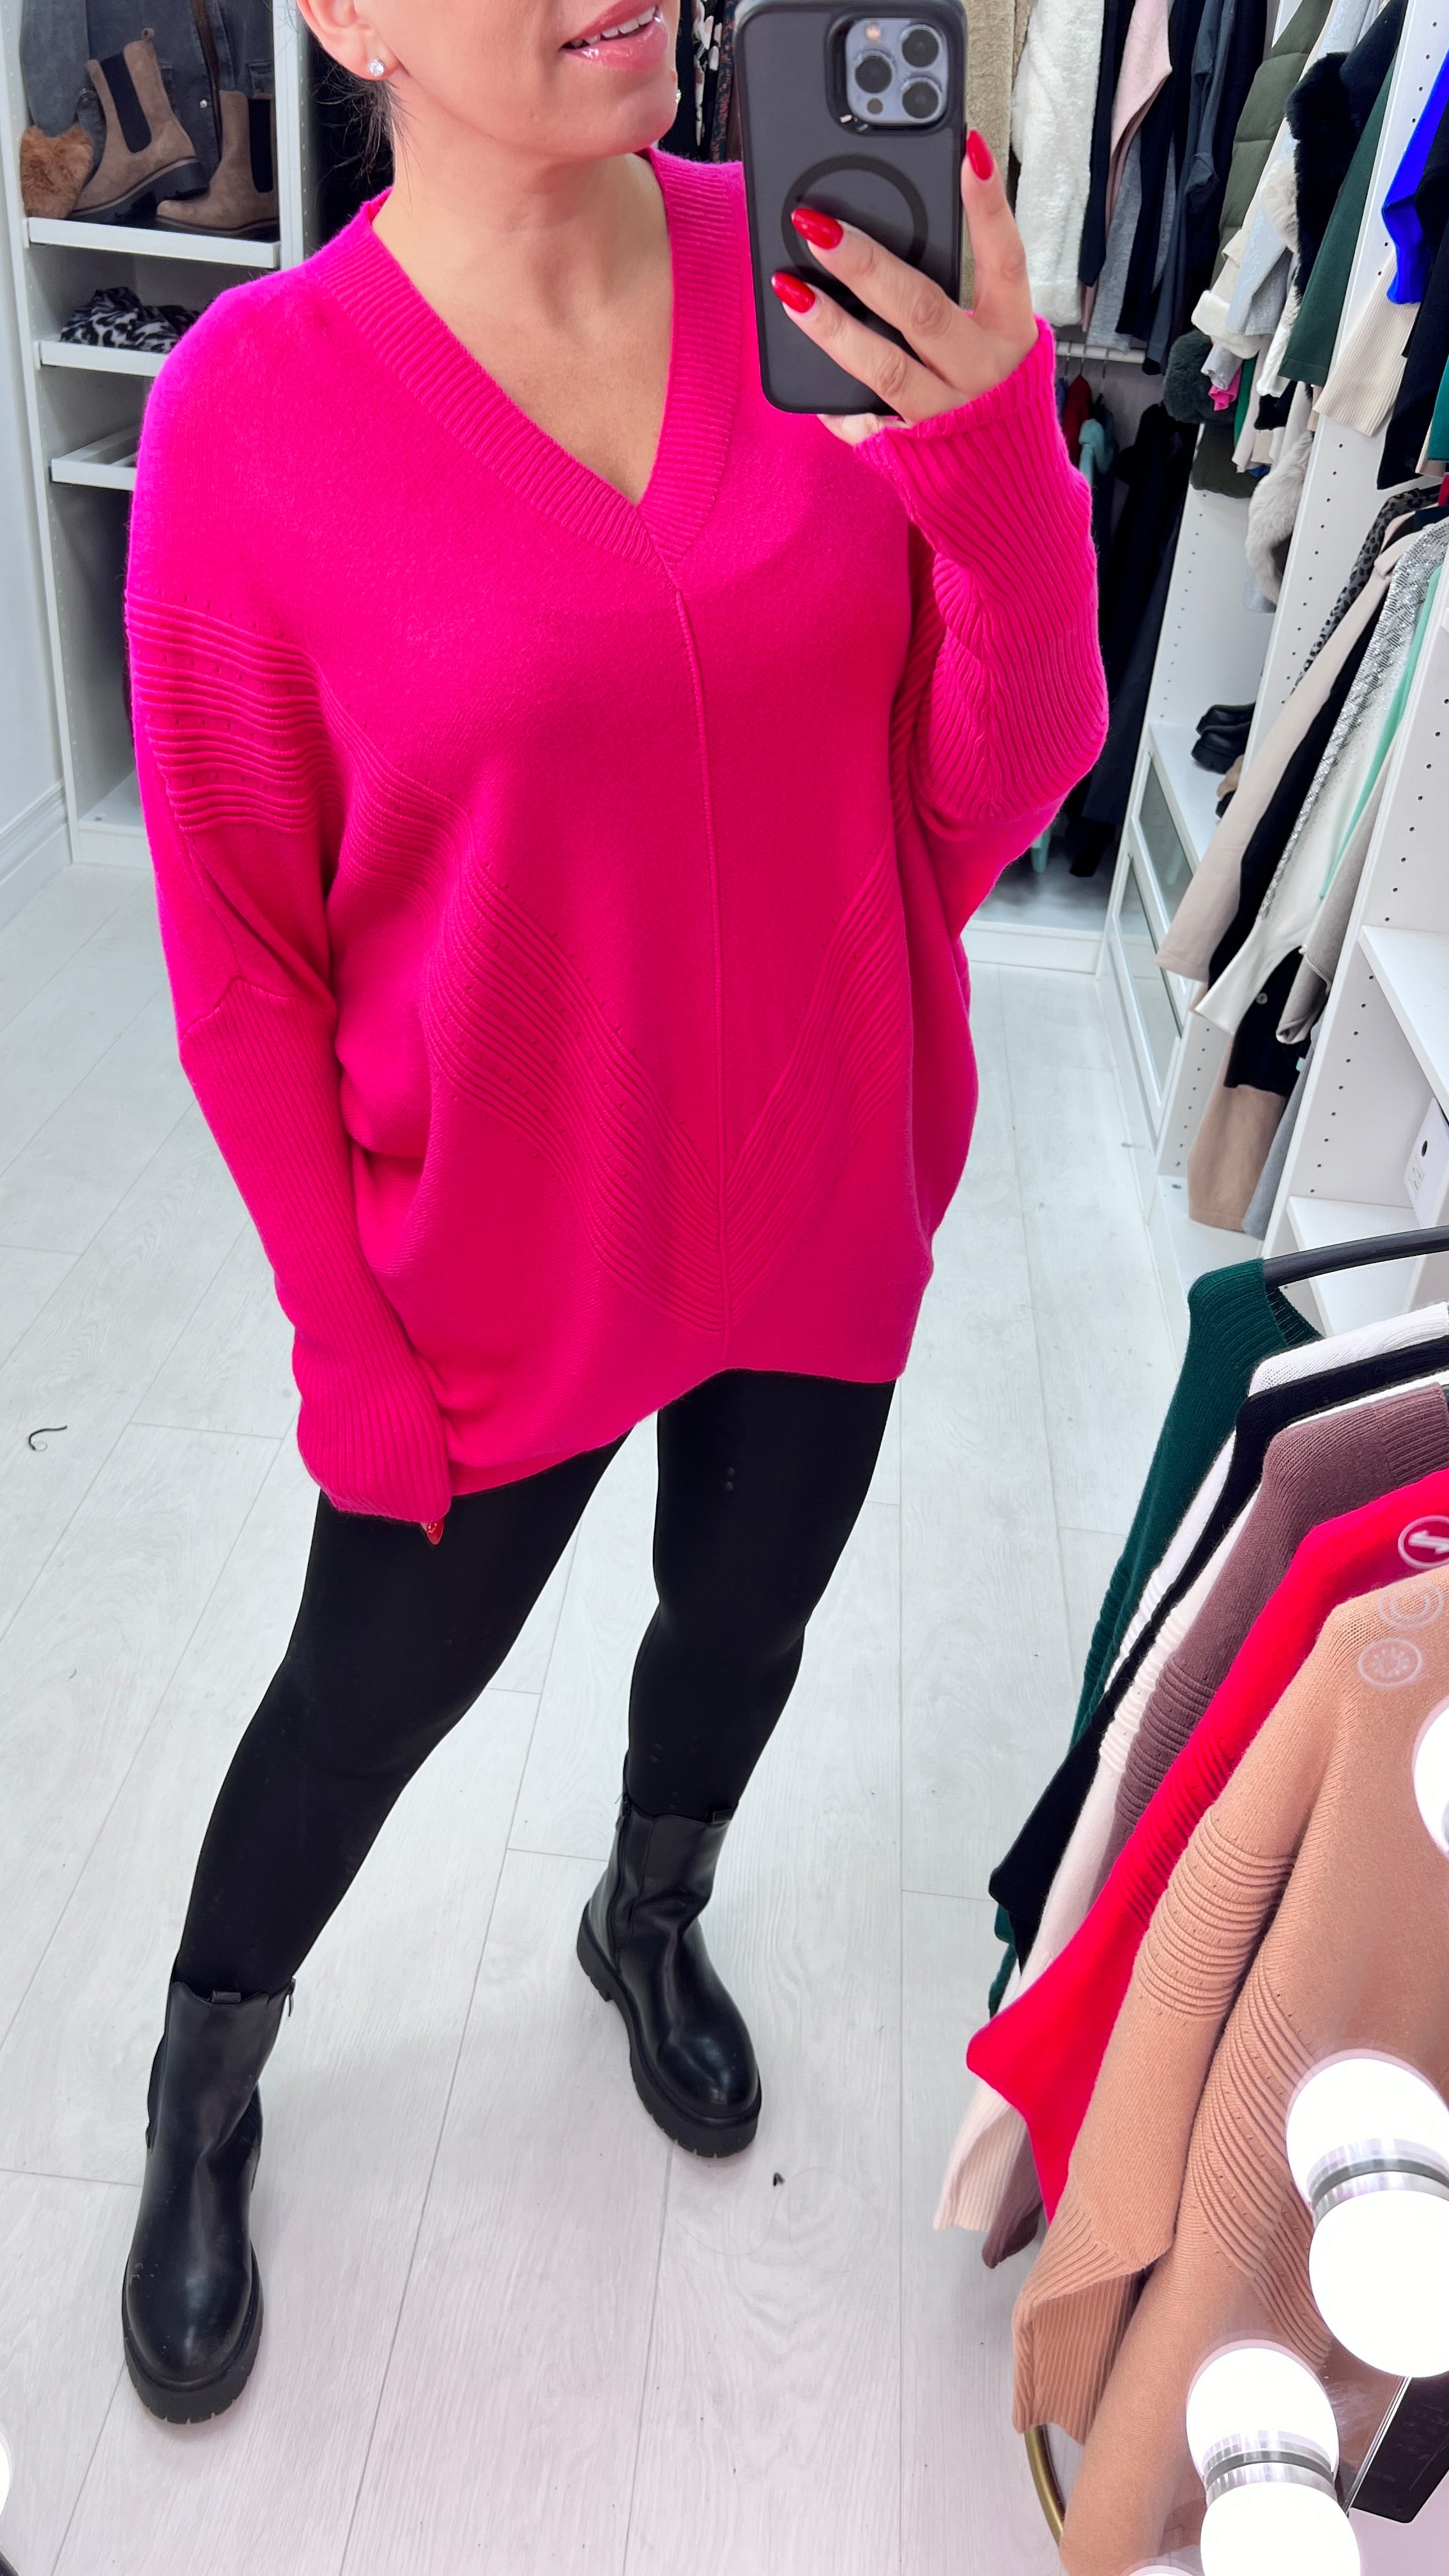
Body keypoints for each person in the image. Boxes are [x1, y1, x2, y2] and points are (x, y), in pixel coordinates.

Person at [119, 0, 1107, 2425]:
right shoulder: (253, 416)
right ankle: (203, 2082)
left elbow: (984, 802)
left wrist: (996, 454)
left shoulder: (815, 277)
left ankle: (643, 1915)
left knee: (740, 1625)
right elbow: (243, 966)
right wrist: (345, 1347)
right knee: (358, 1706)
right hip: (494, 1272)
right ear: (343, 18)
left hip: (816, 1189)